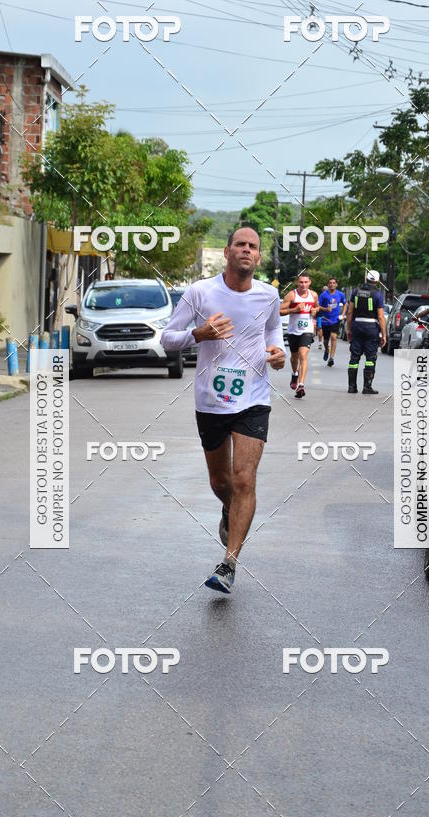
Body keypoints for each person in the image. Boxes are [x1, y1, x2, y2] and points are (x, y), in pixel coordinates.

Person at [161, 227, 285, 594]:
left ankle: (229, 562)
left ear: (258, 257)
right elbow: (167, 338)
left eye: (253, 247)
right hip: (212, 402)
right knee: (222, 483)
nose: (247, 250)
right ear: (227, 253)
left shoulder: (270, 295)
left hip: (254, 398)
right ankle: (230, 512)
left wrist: (278, 355)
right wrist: (199, 335)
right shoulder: (200, 292)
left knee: (245, 479)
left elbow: (273, 334)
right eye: (240, 245)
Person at [345, 269, 386, 394]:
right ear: (377, 281)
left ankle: (352, 387)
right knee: (370, 357)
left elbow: (350, 312)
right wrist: (384, 334)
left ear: (366, 279)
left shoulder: (356, 292)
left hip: (356, 325)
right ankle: (367, 387)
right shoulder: (378, 295)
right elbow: (380, 316)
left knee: (354, 357)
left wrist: (348, 329)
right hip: (371, 328)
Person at [280, 273, 320, 399]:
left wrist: (315, 310)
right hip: (293, 331)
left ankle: (301, 385)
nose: (303, 285)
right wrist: (294, 310)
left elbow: (317, 306)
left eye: (306, 282)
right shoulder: (291, 295)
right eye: (301, 282)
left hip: (307, 330)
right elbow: (280, 311)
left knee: (303, 355)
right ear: (297, 282)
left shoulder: (313, 295)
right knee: (294, 357)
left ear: (310, 283)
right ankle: (294, 373)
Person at [317, 276, 346, 366]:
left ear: (336, 284)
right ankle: (326, 350)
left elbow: (346, 304)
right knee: (326, 341)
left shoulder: (340, 294)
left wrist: (342, 315)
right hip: (326, 320)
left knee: (333, 337)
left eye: (334, 283)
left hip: (335, 320)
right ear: (328, 284)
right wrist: (325, 309)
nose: (332, 284)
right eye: (330, 283)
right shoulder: (323, 295)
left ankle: (331, 358)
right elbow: (318, 306)